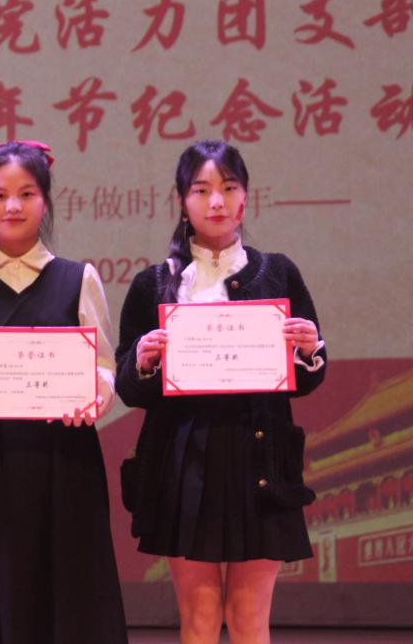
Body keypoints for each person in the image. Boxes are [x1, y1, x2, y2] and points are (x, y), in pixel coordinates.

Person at [116, 140, 326, 644]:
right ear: (182, 201)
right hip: (184, 461)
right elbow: (127, 387)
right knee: (200, 616)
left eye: (229, 188)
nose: (216, 201)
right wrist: (144, 360)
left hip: (261, 460)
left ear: (245, 198)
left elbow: (308, 376)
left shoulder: (278, 272)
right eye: (201, 190)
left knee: (251, 615)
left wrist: (308, 350)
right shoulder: (153, 284)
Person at [0, 140, 128, 644]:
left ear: (45, 201)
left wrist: (95, 397)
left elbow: (103, 364)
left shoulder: (77, 278)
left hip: (67, 459)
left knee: (73, 593)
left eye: (26, 193)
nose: (13, 206)